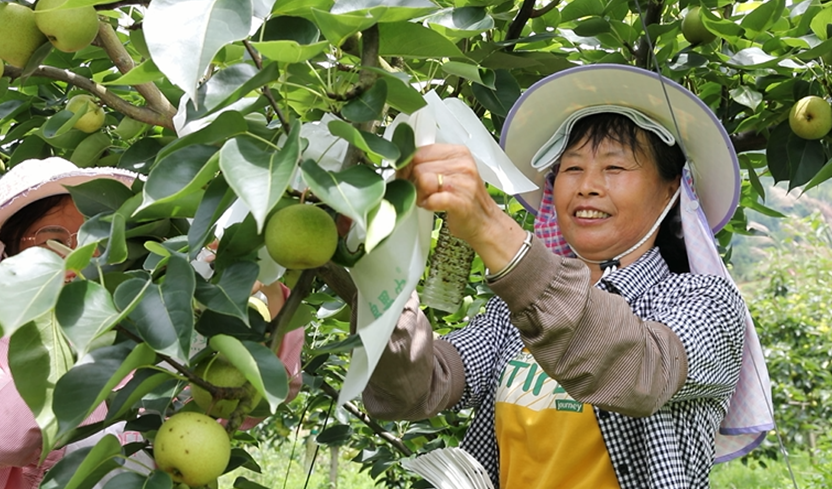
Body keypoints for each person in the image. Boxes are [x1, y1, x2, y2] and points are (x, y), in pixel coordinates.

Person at [362, 64, 772, 488]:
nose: (587, 186)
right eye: (572, 169)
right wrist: (372, 261)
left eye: (614, 169)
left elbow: (642, 371)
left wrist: (490, 227)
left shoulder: (706, 303)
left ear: (671, 190)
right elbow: (422, 384)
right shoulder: (512, 313)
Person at [0, 157, 303, 488]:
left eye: (94, 238)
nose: (77, 255)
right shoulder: (12, 341)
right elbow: (9, 437)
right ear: (9, 255)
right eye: (51, 240)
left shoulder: (150, 335)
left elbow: (259, 397)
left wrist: (260, 285)